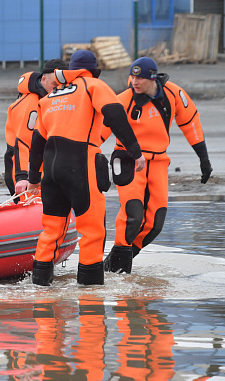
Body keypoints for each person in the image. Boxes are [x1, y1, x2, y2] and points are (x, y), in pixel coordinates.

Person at [26, 50, 145, 286]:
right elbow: (115, 115)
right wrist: (135, 151)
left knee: (51, 230)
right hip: (80, 164)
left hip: (50, 169)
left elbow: (37, 143)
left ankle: (39, 285)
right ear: (94, 70)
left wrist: (33, 179)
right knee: (91, 230)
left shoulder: (50, 97)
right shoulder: (93, 86)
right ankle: (90, 296)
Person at [103, 57, 212, 273]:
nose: (134, 81)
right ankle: (120, 274)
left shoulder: (173, 95)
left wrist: (204, 159)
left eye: (140, 77)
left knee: (154, 225)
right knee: (133, 216)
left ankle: (113, 265)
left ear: (153, 77)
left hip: (159, 162)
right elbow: (98, 131)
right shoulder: (123, 100)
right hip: (127, 160)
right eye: (133, 76)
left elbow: (191, 123)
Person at [4, 59, 69, 197]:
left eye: (63, 86)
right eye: (55, 85)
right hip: (25, 173)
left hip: (41, 169)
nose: (58, 89)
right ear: (44, 79)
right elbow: (22, 142)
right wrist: (22, 177)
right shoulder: (31, 103)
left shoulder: (50, 99)